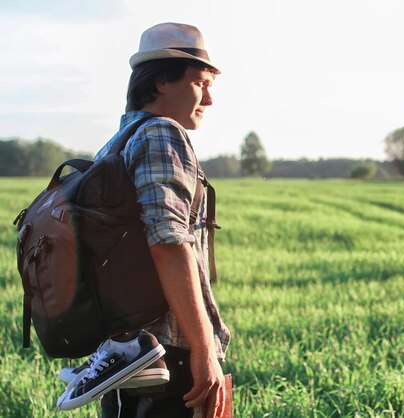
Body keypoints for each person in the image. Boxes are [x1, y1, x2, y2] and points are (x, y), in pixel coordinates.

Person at [94, 22, 231, 418]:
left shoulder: (119, 141)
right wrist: (203, 347)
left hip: (128, 349)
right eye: (200, 83)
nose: (209, 99)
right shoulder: (160, 134)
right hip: (166, 352)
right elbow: (168, 239)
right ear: (160, 84)